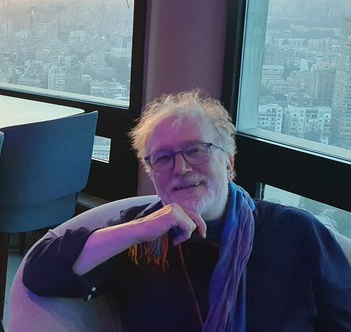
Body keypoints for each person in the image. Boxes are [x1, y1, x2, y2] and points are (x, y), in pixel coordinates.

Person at [22, 90, 351, 331]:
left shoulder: (296, 232)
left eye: (195, 150)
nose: (180, 168)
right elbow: (40, 273)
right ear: (151, 173)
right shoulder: (137, 240)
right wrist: (135, 231)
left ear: (229, 163)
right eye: (163, 158)